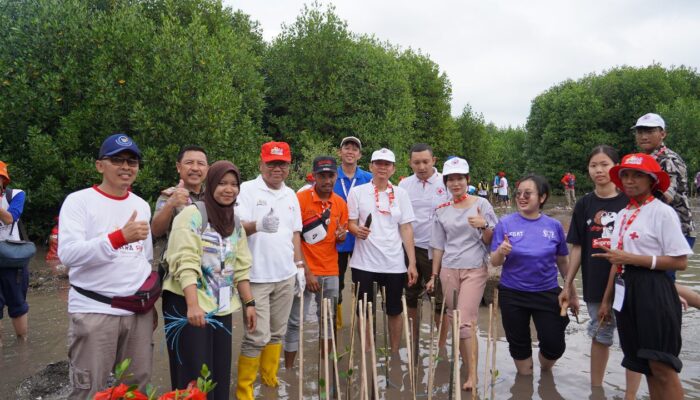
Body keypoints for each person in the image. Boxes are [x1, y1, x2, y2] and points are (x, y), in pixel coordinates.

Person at [58, 134, 155, 398]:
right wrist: (118, 237)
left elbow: (144, 259)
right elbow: (68, 255)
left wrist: (149, 305)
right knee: (89, 389)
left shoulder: (141, 205)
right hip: (94, 310)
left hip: (137, 314)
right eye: (118, 160)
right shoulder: (79, 202)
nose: (126, 167)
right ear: (100, 165)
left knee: (137, 389)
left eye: (132, 161)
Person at [596, 153, 692, 400]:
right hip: (626, 289)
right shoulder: (623, 214)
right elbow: (615, 260)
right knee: (644, 364)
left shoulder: (662, 212)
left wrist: (633, 259)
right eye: (625, 175)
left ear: (652, 181)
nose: (629, 180)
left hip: (654, 288)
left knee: (662, 365)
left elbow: (680, 261)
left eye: (637, 175)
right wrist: (606, 301)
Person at [162, 160, 255, 400]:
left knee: (219, 372)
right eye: (222, 183)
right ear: (211, 184)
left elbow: (241, 266)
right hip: (187, 304)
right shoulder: (192, 215)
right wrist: (193, 305)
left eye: (234, 184)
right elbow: (185, 261)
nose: (229, 189)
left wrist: (249, 304)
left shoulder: (233, 222)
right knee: (193, 375)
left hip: (221, 306)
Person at [558, 146, 642, 397]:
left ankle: (630, 394)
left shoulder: (630, 201)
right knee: (600, 333)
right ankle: (597, 391)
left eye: (604, 164)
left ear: (615, 167)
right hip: (595, 280)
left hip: (630, 280)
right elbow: (576, 248)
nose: (599, 170)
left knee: (632, 337)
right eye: (594, 165)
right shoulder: (584, 204)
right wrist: (568, 284)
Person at [235, 141, 306, 400]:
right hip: (256, 277)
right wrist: (258, 224)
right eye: (272, 163)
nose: (277, 168)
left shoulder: (291, 195)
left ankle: (269, 381)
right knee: (256, 336)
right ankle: (244, 391)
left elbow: (295, 233)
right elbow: (236, 228)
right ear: (261, 163)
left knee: (277, 332)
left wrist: (299, 266)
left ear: (289, 166)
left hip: (285, 276)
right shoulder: (247, 190)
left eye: (282, 163)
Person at [426, 157, 497, 390]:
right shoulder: (441, 209)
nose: (456, 183)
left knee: (465, 322)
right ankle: (465, 363)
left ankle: (473, 374)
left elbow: (493, 241)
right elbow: (438, 245)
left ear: (468, 180)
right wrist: (433, 276)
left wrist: (483, 225)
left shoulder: (481, 205)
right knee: (453, 319)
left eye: (460, 178)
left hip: (475, 267)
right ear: (446, 182)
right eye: (451, 179)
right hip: (448, 268)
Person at [490, 175, 570, 375]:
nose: (522, 197)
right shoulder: (505, 224)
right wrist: (501, 251)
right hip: (513, 294)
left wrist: (570, 290)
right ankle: (524, 385)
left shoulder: (554, 226)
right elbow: (494, 261)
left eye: (528, 193)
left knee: (554, 346)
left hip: (547, 291)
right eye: (518, 194)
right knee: (519, 345)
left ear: (542, 198)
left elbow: (562, 261)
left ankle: (545, 370)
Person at [347, 148, 417, 353]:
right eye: (378, 163)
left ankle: (394, 352)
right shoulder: (357, 192)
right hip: (364, 263)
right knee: (364, 311)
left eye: (387, 164)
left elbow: (406, 228)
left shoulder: (401, 194)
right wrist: (356, 230)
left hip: (394, 263)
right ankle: (367, 352)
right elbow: (350, 223)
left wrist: (411, 262)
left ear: (393, 169)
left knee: (394, 311)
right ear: (370, 167)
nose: (382, 167)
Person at [284, 156, 348, 368]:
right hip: (302, 271)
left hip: (331, 271)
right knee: (294, 322)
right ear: (314, 176)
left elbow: (340, 236)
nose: (327, 180)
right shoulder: (299, 199)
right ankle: (290, 370)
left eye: (331, 175)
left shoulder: (339, 203)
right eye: (322, 175)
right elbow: (293, 239)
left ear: (336, 176)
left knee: (327, 322)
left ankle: (325, 367)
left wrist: (341, 236)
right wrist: (307, 272)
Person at [631, 113, 697, 307]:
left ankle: (667, 328)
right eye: (640, 131)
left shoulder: (668, 160)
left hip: (675, 230)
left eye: (650, 131)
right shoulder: (645, 160)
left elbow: (663, 197)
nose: (644, 136)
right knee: (664, 284)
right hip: (656, 231)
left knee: (662, 285)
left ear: (663, 134)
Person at [398, 144, 449, 349]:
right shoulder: (404, 186)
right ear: (410, 163)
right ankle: (413, 340)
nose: (421, 167)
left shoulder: (446, 182)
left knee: (439, 298)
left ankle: (442, 344)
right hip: (411, 248)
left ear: (434, 161)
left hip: (438, 249)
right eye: (416, 162)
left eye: (425, 162)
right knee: (410, 295)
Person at [333, 136, 372, 327]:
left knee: (361, 284)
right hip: (336, 241)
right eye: (346, 148)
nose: (350, 151)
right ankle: (337, 323)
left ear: (360, 155)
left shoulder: (368, 178)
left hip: (360, 240)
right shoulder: (330, 176)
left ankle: (361, 323)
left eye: (354, 149)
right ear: (340, 152)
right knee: (336, 283)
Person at [0, 161, 29, 344]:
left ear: (4, 179)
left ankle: (22, 344)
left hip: (13, 257)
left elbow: (10, 218)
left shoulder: (16, 194)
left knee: (17, 303)